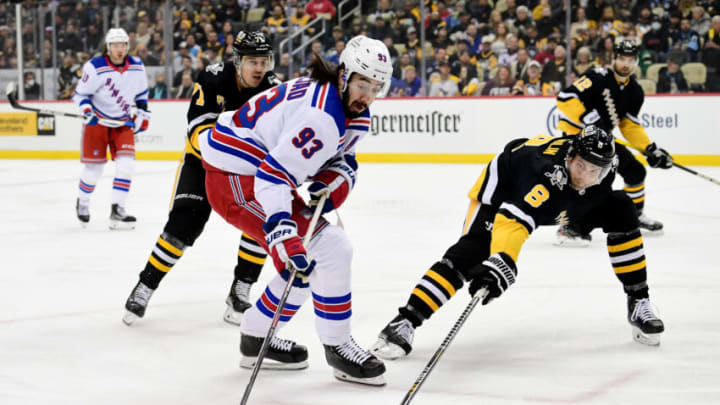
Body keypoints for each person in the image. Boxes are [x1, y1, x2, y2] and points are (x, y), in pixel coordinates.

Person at [371, 126, 666, 362]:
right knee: (469, 256)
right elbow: (512, 220)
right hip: (503, 195)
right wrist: (502, 260)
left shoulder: (603, 167)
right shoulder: (544, 173)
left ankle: (639, 301)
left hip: (557, 204)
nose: (586, 177)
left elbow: (613, 179)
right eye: (581, 166)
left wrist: (651, 152)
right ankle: (404, 322)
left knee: (621, 207)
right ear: (570, 157)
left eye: (595, 171)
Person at [198, 35, 392, 385]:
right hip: (236, 179)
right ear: (345, 75)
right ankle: (336, 345)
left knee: (318, 254)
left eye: (377, 87)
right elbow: (273, 174)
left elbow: (341, 158)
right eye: (363, 83)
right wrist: (283, 230)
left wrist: (336, 177)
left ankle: (257, 335)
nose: (368, 95)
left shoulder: (345, 106)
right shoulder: (322, 117)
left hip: (252, 170)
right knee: (319, 251)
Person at [123, 31, 281, 326]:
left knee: (261, 221)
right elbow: (197, 132)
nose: (259, 68)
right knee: (184, 224)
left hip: (245, 168)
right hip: (202, 161)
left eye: (263, 61)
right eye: (252, 61)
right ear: (237, 61)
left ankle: (240, 290)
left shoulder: (273, 88)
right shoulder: (212, 78)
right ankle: (145, 285)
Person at [554, 40, 673, 244]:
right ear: (614, 58)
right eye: (622, 59)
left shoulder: (635, 90)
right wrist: (588, 117)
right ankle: (570, 226)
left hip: (601, 138)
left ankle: (634, 214)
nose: (625, 64)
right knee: (594, 182)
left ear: (635, 61)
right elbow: (566, 97)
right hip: (577, 135)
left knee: (635, 171)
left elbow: (629, 125)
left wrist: (649, 148)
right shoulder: (596, 76)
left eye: (630, 60)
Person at [71, 28, 150, 229]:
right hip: (97, 123)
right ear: (108, 47)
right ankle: (83, 201)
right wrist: (87, 110)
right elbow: (79, 95)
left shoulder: (136, 66)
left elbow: (141, 94)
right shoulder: (95, 67)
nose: (119, 49)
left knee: (127, 166)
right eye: (115, 45)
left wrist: (143, 113)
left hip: (122, 124)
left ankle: (117, 210)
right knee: (93, 170)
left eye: (123, 45)